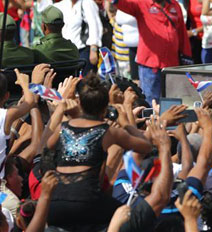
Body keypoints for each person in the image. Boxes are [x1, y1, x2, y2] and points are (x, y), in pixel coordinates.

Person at [46, 74, 153, 230]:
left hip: (55, 203)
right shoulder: (108, 132)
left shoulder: (63, 128)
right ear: (105, 108)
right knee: (130, 215)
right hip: (87, 201)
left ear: (80, 103)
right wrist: (126, 123)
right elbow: (146, 147)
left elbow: (47, 148)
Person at [106, 0, 191, 103]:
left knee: (172, 102)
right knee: (151, 103)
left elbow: (182, 34)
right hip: (150, 66)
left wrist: (186, 57)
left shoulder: (175, 5)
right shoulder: (141, 3)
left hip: (172, 64)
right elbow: (123, 3)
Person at [55, 0, 103, 75]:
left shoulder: (87, 2)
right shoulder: (64, 4)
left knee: (85, 85)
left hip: (84, 52)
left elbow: (95, 25)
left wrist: (93, 49)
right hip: (68, 53)